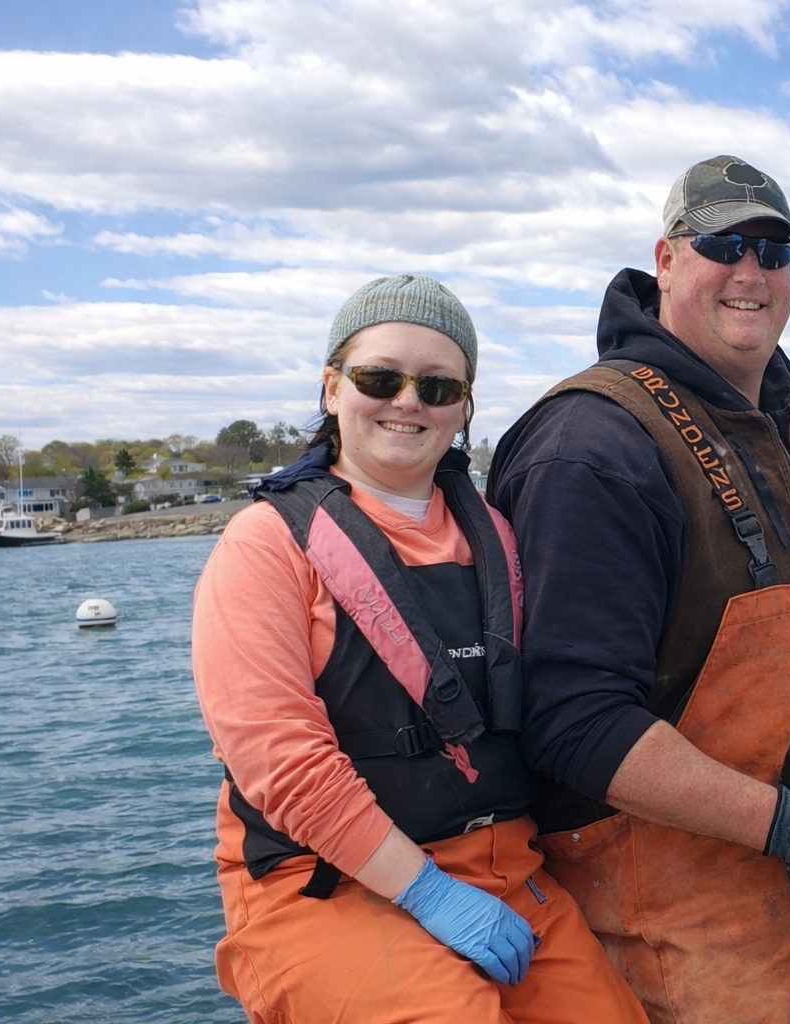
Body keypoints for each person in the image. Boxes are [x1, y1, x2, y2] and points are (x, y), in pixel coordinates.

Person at [487, 156, 790, 1023]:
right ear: (666, 261)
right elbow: (575, 722)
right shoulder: (593, 446)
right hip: (685, 910)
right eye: (724, 243)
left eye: (774, 251)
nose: (751, 271)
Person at [192, 275, 647, 1024]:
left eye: (439, 387)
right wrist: (427, 892)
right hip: (326, 884)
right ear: (333, 387)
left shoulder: (501, 535)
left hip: (507, 869)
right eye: (381, 378)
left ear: (464, 410)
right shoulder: (265, 547)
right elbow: (278, 760)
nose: (409, 402)